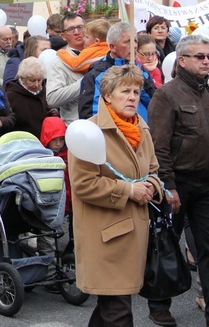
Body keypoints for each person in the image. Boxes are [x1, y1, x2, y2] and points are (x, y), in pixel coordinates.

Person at [70, 65, 164, 327]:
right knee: (118, 312)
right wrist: (129, 190)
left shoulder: (141, 130)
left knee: (110, 309)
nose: (133, 97)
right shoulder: (88, 131)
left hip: (135, 233)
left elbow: (154, 171)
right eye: (125, 91)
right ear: (108, 96)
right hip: (105, 237)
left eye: (136, 91)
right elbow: (84, 184)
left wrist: (152, 187)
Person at [147, 35, 209, 327]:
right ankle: (159, 305)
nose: (208, 61)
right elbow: (159, 145)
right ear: (182, 60)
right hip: (177, 183)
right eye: (200, 56)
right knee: (166, 245)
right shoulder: (166, 95)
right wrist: (168, 185)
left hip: (208, 185)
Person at [80, 22, 155, 121]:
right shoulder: (97, 73)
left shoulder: (140, 70)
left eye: (135, 41)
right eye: (128, 41)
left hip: (140, 130)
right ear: (112, 47)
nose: (134, 46)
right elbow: (91, 113)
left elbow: (154, 102)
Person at [47, 13, 87, 124]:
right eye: (71, 29)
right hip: (77, 127)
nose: (77, 32)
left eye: (80, 27)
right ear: (63, 36)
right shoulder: (59, 63)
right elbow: (52, 98)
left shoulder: (99, 57)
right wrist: (85, 82)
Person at [6, 57, 52, 139]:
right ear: (22, 78)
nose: (37, 84)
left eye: (39, 80)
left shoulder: (47, 93)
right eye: (32, 80)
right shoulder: (11, 96)